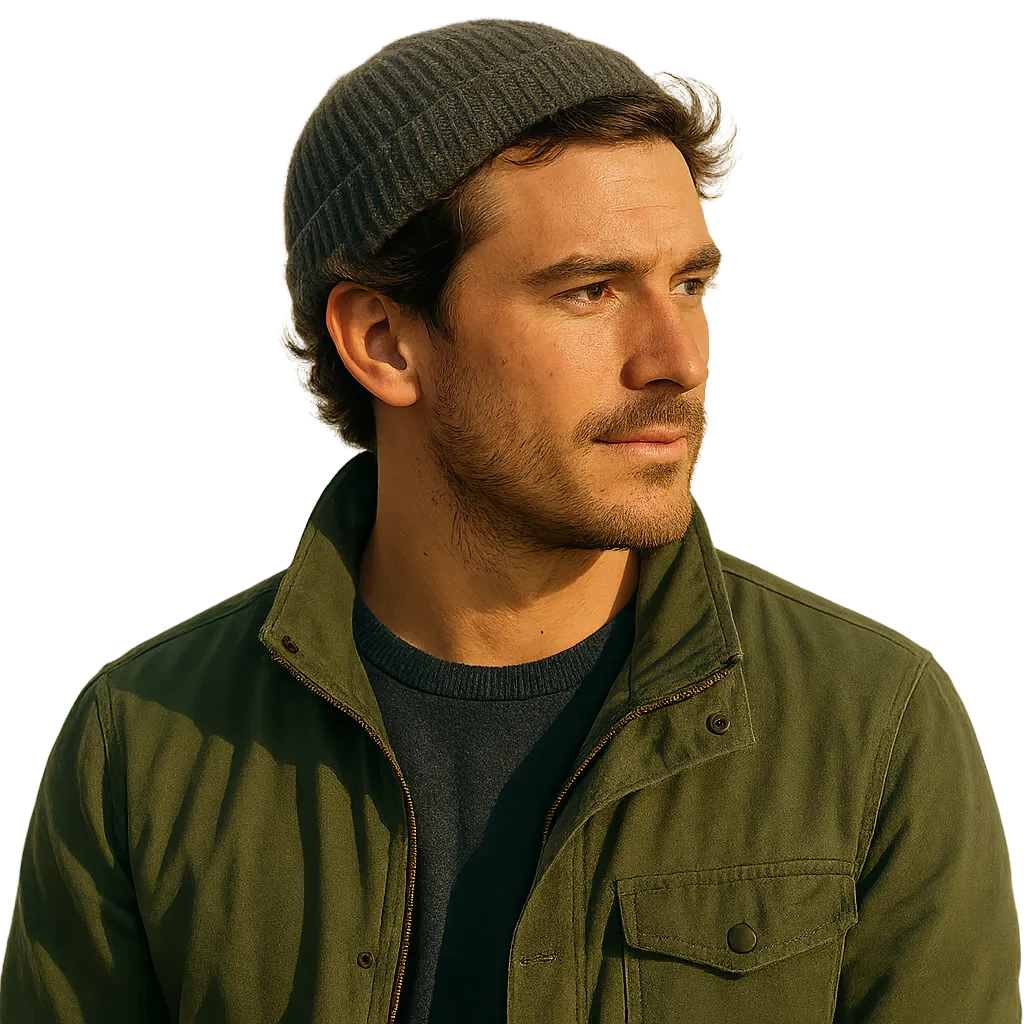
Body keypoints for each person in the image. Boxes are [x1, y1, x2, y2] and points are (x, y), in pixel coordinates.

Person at [2, 16, 1020, 1024]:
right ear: (383, 339)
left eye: (689, 283)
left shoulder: (869, 725)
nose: (677, 360)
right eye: (591, 290)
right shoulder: (144, 745)